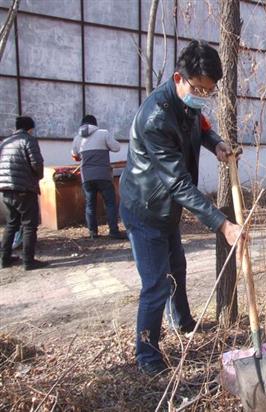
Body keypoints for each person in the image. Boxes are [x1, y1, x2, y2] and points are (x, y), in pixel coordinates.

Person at [119, 40, 242, 375]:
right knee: (156, 284)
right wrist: (222, 224)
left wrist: (217, 143)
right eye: (199, 88)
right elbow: (178, 183)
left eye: (209, 91)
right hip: (146, 209)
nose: (203, 95)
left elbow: (200, 127)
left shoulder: (188, 104)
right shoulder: (156, 118)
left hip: (167, 206)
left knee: (178, 268)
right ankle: (147, 356)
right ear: (178, 78)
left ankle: (183, 322)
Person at [0, 116, 48, 270]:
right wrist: (38, 177)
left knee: (11, 223)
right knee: (29, 225)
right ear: (30, 128)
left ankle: (4, 259)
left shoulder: (5, 143)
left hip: (5, 189)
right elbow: (37, 163)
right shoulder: (28, 140)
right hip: (24, 189)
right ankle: (28, 261)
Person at [71, 115, 126, 239]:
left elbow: (74, 156)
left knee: (90, 205)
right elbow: (116, 148)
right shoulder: (103, 133)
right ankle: (113, 231)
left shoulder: (78, 138)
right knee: (110, 203)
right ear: (95, 124)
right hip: (103, 175)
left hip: (86, 177)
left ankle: (93, 233)